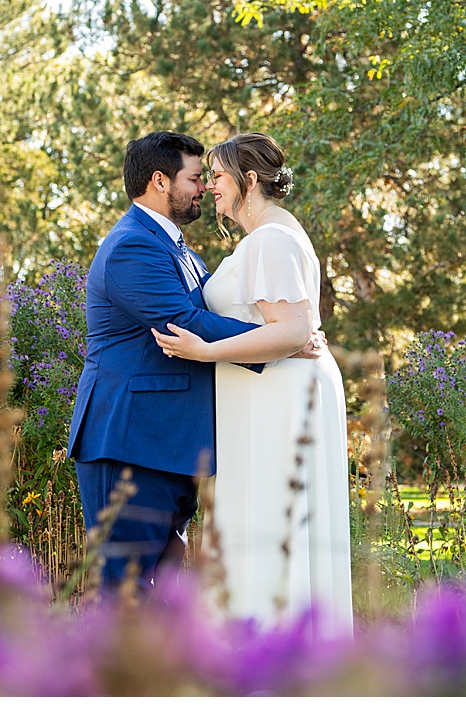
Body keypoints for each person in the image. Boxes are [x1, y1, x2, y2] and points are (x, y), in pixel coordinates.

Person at [68, 131, 301, 595]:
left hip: (170, 446)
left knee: (162, 606)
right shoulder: (132, 246)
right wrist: (278, 340)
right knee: (127, 595)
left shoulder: (180, 251)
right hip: (130, 445)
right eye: (196, 178)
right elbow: (181, 321)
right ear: (159, 180)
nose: (205, 188)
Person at [152, 132, 354, 637]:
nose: (209, 187)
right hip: (273, 396)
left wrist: (205, 351)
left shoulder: (269, 239)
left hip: (279, 401)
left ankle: (278, 651)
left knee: (273, 525)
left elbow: (290, 331)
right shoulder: (272, 236)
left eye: (217, 177)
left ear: (250, 180)